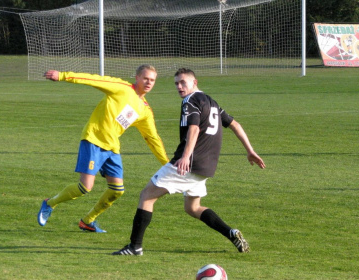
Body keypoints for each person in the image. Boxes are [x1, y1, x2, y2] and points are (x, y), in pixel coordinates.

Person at [112, 68, 266, 256]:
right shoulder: (212, 102)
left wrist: (185, 156)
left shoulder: (190, 101)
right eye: (176, 83)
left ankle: (135, 247)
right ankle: (230, 232)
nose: (179, 86)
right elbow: (235, 124)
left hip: (188, 163)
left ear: (195, 82)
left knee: (146, 196)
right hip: (206, 166)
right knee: (192, 208)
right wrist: (250, 151)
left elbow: (193, 128)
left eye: (183, 82)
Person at [37, 65, 169, 232]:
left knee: (117, 190)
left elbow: (152, 138)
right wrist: (63, 75)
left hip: (112, 147)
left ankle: (87, 221)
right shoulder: (122, 88)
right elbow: (94, 80)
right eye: (146, 78)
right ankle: (49, 203)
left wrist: (167, 163)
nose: (149, 82)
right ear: (137, 77)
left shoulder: (145, 110)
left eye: (152, 80)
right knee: (85, 187)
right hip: (93, 140)